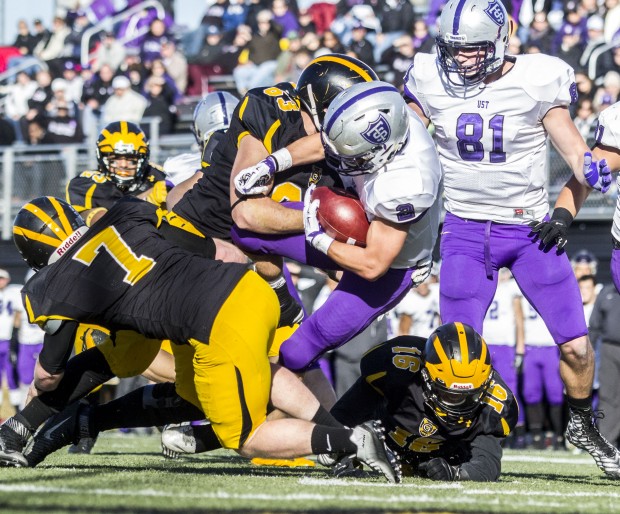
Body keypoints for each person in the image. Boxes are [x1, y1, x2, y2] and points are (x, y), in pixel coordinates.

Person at [0, 196, 400, 484]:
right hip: (248, 289)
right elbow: (214, 250)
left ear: (34, 253)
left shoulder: (53, 283)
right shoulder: (126, 213)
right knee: (250, 371)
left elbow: (50, 377)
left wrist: (33, 401)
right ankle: (332, 430)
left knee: (244, 437)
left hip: (213, 324)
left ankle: (349, 439)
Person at [403, 0, 620, 477]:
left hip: (528, 232)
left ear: (499, 42)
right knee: (458, 357)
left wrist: (590, 173)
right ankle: (462, 444)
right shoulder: (428, 78)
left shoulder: (536, 78)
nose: (459, 60)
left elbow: (577, 153)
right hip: (462, 229)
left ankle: (582, 423)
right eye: (452, 50)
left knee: (577, 348)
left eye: (472, 50)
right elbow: (406, 140)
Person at [231, 81, 442, 396]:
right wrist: (272, 163)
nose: (341, 164)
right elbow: (327, 142)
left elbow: (373, 265)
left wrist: (320, 238)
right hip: (359, 216)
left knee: (297, 352)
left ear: (383, 149)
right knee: (245, 230)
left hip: (391, 263)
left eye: (354, 157)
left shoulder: (408, 183)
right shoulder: (385, 114)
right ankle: (284, 300)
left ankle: (289, 414)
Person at [167, 54, 378, 338]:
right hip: (201, 244)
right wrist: (320, 218)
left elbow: (340, 260)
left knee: (298, 363)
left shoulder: (345, 157)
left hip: (262, 267)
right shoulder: (270, 111)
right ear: (320, 105)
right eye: (350, 112)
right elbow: (247, 213)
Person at [325, 322, 518, 481]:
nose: (460, 403)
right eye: (450, 394)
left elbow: (488, 464)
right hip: (384, 440)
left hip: (443, 458)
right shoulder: (397, 370)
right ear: (425, 375)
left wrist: (455, 473)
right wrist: (335, 439)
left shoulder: (495, 404)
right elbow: (355, 403)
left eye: (470, 395)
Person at [66, 121, 169, 226]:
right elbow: (108, 222)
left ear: (143, 158)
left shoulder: (158, 175)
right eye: (115, 159)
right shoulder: (85, 184)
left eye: (131, 159)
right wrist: (149, 198)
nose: (123, 164)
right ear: (102, 156)